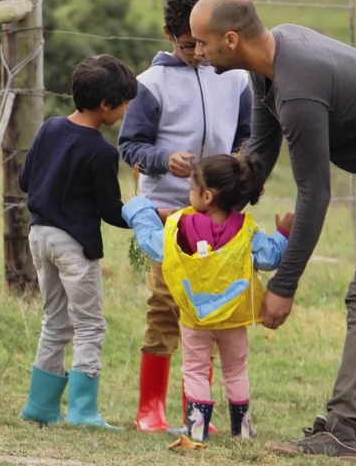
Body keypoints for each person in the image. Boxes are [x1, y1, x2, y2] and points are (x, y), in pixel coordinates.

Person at [190, 0, 356, 458]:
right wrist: (209, 209)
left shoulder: (297, 90)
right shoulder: (271, 65)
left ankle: (342, 430)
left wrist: (283, 284)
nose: (196, 51)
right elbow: (256, 157)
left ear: (230, 39)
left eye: (202, 42)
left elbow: (316, 193)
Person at [118, 0, 252, 432]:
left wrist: (242, 162)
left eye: (204, 44)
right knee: (164, 306)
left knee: (210, 311)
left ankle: (198, 409)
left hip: (220, 220)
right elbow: (130, 144)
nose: (198, 54)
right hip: (168, 216)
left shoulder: (236, 78)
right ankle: (149, 407)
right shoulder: (150, 84)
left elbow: (248, 135)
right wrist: (161, 160)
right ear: (168, 35)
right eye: (188, 45)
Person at [123, 152, 291, 441]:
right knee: (236, 370)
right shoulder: (246, 230)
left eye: (191, 188)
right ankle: (243, 429)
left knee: (196, 370)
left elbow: (153, 245)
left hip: (195, 318)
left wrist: (140, 209)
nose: (189, 194)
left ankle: (197, 429)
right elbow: (270, 256)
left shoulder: (182, 227)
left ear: (208, 196)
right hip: (233, 319)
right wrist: (283, 233)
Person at [19, 54, 139, 429]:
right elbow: (110, 211)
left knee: (54, 321)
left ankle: (40, 406)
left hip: (39, 237)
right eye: (124, 102)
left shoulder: (50, 128)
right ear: (106, 105)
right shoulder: (103, 152)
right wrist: (144, 213)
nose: (126, 109)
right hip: (74, 246)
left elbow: (25, 181)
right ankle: (83, 411)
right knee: (89, 324)